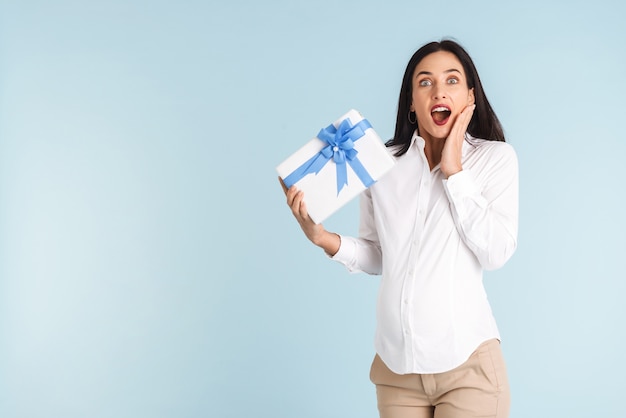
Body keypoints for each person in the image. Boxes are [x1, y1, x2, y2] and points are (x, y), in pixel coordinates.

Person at [280, 39, 518, 418]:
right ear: (411, 101)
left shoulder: (494, 159)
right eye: (425, 82)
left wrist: (454, 170)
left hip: (467, 366)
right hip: (396, 371)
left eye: (451, 80)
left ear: (470, 96)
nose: (438, 91)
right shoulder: (382, 165)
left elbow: (496, 253)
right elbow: (379, 255)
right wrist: (321, 237)